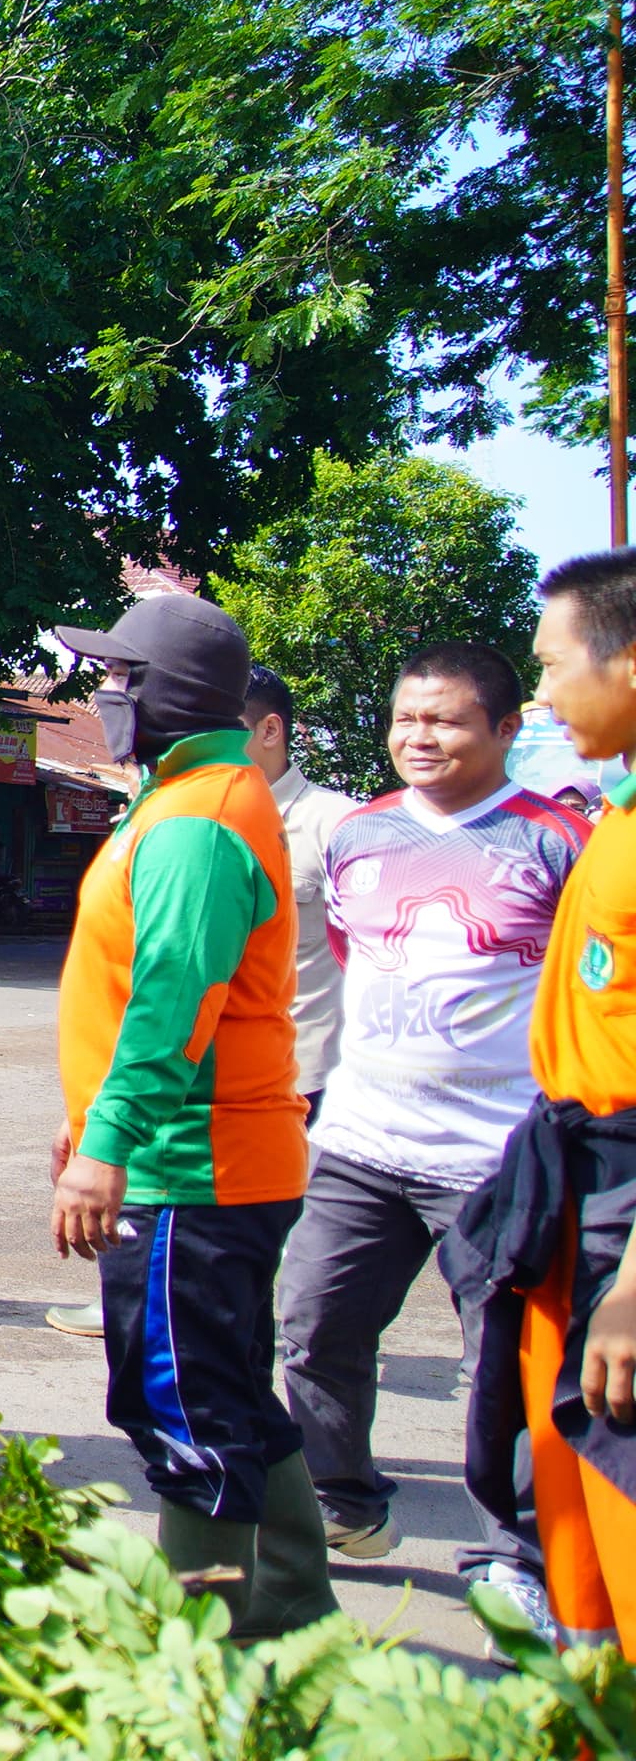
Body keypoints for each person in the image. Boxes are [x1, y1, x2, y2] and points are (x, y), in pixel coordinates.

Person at [47, 592, 331, 1639]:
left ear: (167, 692)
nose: (103, 695)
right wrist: (86, 1120)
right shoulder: (183, 795)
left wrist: (107, 1143)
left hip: (190, 1165)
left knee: (186, 1410)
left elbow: (173, 997)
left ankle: (208, 1653)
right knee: (228, 1391)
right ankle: (295, 1609)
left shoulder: (199, 817)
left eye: (119, 679)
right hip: (192, 1155)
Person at [273, 642, 573, 1627]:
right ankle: (345, 1500)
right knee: (312, 1325)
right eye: (405, 719)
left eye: (442, 720)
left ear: (501, 728)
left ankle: (514, 1552)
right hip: (360, 1142)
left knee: (499, 1367)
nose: (418, 736)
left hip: (495, 1160)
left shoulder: (556, 842)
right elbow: (356, 962)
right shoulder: (356, 835)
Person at [444, 549, 636, 1648]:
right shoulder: (608, 813)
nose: (546, 695)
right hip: (568, 1189)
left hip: (622, 1213)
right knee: (563, 1515)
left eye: (554, 667)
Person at [245, 666, 359, 1118]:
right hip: (201, 1080)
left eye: (220, 730)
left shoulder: (339, 824)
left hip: (305, 1084)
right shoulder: (186, 823)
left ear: (270, 730)